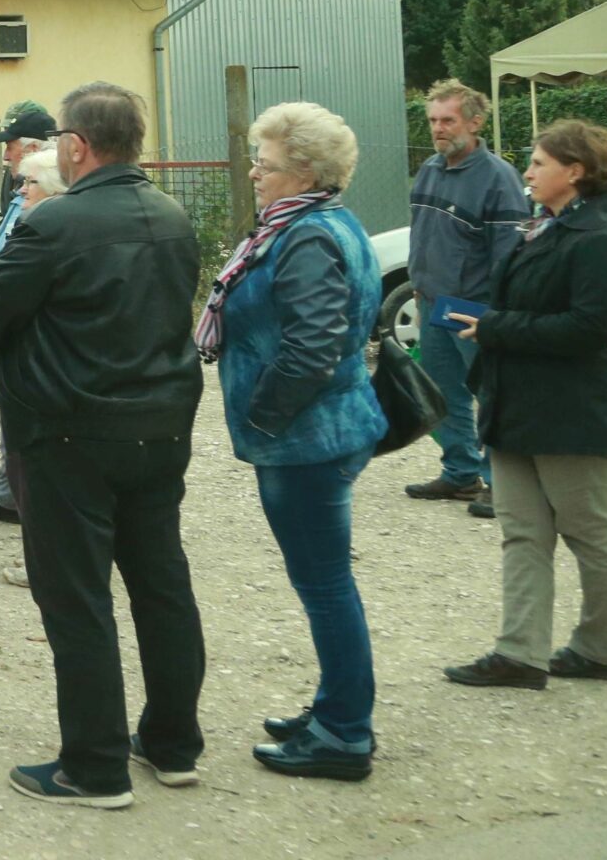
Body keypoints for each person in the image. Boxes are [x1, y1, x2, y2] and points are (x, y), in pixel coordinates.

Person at [0, 81, 203, 810]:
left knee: (76, 598)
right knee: (161, 585)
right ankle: (172, 743)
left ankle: (94, 765)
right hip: (159, 425)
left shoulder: (54, 225)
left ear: (76, 146)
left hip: (69, 432)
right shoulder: (171, 216)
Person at [198, 104, 386, 780]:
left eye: (266, 163)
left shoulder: (305, 237)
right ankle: (337, 707)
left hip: (307, 439)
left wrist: (264, 414)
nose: (254, 171)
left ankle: (343, 734)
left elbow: (312, 348)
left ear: (304, 171)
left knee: (327, 584)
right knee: (325, 581)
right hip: (322, 429)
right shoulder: (321, 223)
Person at [442, 120, 607, 692]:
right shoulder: (545, 227)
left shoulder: (601, 239)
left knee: (592, 535)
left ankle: (604, 649)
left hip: (572, 414)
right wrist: (494, 329)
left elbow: (591, 327)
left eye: (539, 162)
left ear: (573, 172)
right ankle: (520, 654)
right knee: (522, 533)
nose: (526, 171)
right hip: (516, 405)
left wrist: (499, 327)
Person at [403, 80, 529, 510]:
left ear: (475, 122)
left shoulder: (499, 178)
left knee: (490, 396)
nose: (438, 129)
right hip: (431, 302)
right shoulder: (430, 170)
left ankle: (503, 484)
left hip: (475, 309)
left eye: (447, 120)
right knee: (444, 392)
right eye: (433, 121)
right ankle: (460, 473)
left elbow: (509, 255)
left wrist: (497, 315)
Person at [0, 110, 56, 525]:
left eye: (11, 146)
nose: (5, 156)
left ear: (34, 148)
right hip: (13, 329)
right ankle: (7, 496)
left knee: (32, 433)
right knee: (10, 415)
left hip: (30, 334)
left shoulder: (47, 206)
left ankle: (27, 509)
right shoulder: (20, 194)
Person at [0, 145, 64, 591]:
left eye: (30, 182)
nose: (21, 189)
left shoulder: (42, 230)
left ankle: (45, 566)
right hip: (36, 368)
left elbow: (1, 303)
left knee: (38, 475)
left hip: (35, 372)